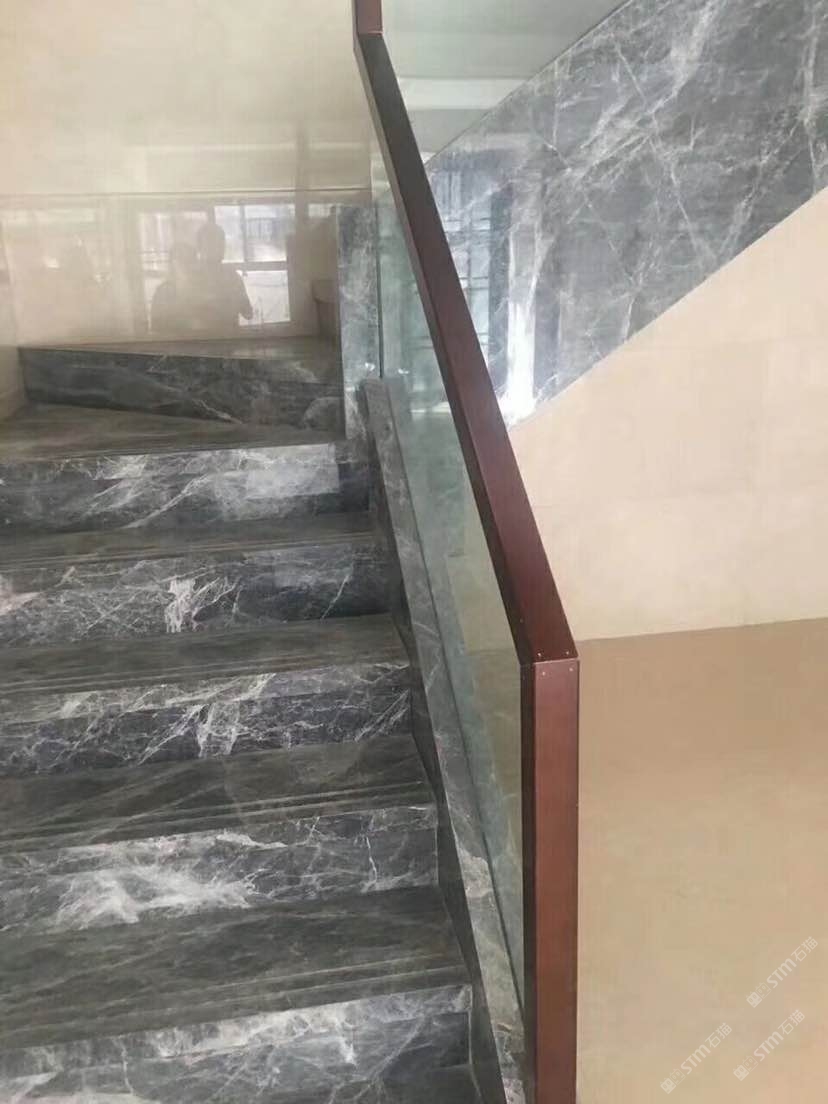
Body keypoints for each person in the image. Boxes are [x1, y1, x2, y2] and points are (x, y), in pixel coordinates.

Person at [195, 222, 253, 331]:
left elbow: (248, 313)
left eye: (221, 244)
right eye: (211, 244)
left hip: (230, 338)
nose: (218, 249)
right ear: (199, 247)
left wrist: (235, 298)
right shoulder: (190, 278)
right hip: (200, 339)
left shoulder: (232, 276)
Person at [150, 242, 199, 333]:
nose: (186, 265)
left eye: (190, 260)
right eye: (181, 260)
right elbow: (156, 329)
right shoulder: (162, 293)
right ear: (173, 264)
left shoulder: (201, 290)